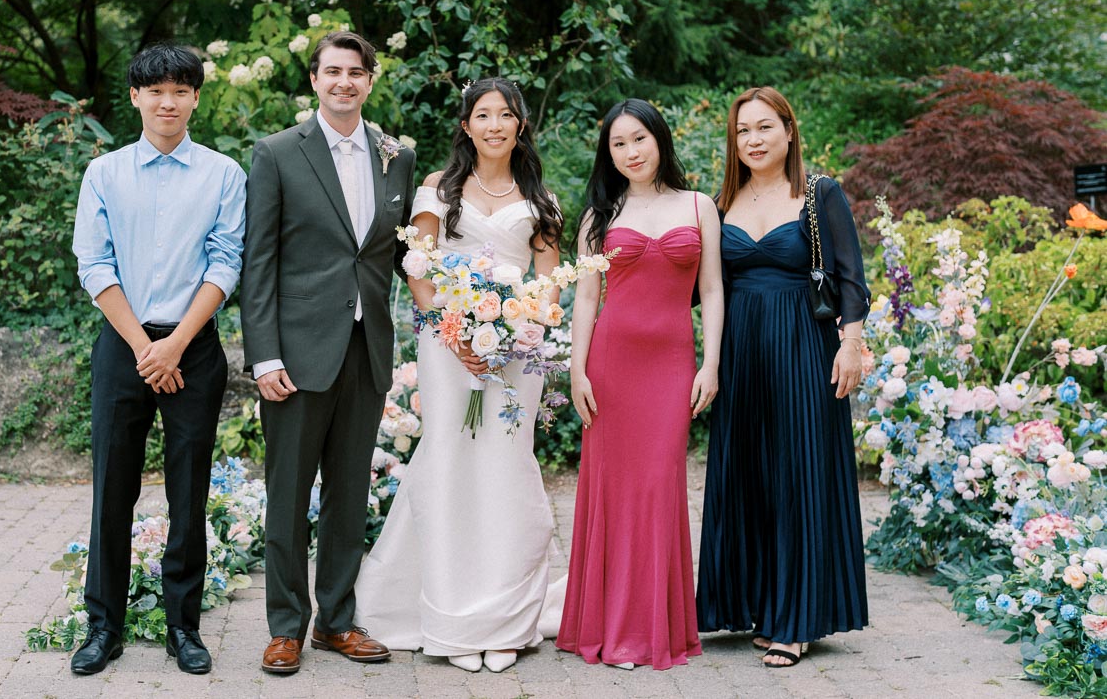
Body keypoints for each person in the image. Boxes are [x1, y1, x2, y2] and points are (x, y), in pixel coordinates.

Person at [353, 77, 567, 674]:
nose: (494, 125)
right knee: (449, 460)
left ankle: (503, 619)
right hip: (447, 347)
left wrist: (521, 324)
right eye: (482, 115)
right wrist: (456, 329)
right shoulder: (436, 190)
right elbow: (417, 267)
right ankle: (450, 616)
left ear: (520, 125)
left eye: (505, 115)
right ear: (466, 125)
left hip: (515, 353)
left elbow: (548, 278)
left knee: (505, 466)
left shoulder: (540, 198)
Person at [242, 30, 417, 675]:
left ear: (371, 80)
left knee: (350, 491)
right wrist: (263, 355)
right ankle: (285, 626)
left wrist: (460, 306)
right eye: (332, 72)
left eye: (356, 72)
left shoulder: (396, 157)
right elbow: (258, 262)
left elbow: (404, 257)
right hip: (295, 352)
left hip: (366, 349)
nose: (344, 82)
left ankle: (337, 621)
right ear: (314, 81)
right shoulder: (278, 154)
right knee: (288, 492)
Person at [69, 43, 246, 676]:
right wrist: (146, 348)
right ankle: (103, 628)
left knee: (189, 492)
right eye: (156, 91)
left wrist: (174, 345)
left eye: (181, 90)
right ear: (136, 98)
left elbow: (228, 260)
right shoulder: (106, 174)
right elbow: (94, 264)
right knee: (111, 489)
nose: (168, 102)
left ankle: (183, 627)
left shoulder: (224, 174)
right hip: (124, 345)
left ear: (196, 97)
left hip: (193, 347)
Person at [695, 86, 869, 668]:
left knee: (799, 476)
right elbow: (701, 289)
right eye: (743, 131)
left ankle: (796, 620)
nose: (754, 140)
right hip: (741, 352)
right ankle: (754, 606)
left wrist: (851, 343)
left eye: (765, 127)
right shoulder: (721, 203)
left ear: (789, 131)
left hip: (804, 348)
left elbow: (850, 276)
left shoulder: (819, 196)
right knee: (749, 476)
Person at [555, 98, 723, 671]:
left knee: (658, 488)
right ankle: (613, 630)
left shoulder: (699, 206)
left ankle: (654, 629)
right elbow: (584, 298)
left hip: (672, 365)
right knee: (612, 492)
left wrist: (711, 364)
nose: (630, 152)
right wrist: (577, 369)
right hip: (611, 363)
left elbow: (715, 290)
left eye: (639, 139)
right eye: (618, 144)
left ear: (660, 139)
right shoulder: (597, 216)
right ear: (609, 153)